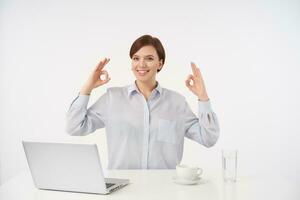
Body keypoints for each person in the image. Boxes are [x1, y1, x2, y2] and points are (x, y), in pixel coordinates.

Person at [66, 34, 220, 169]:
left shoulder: (177, 103)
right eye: (136, 58)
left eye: (149, 59)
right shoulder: (112, 98)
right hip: (123, 189)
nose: (141, 64)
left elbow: (208, 138)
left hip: (165, 189)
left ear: (160, 63)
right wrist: (87, 87)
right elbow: (74, 127)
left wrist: (203, 97)